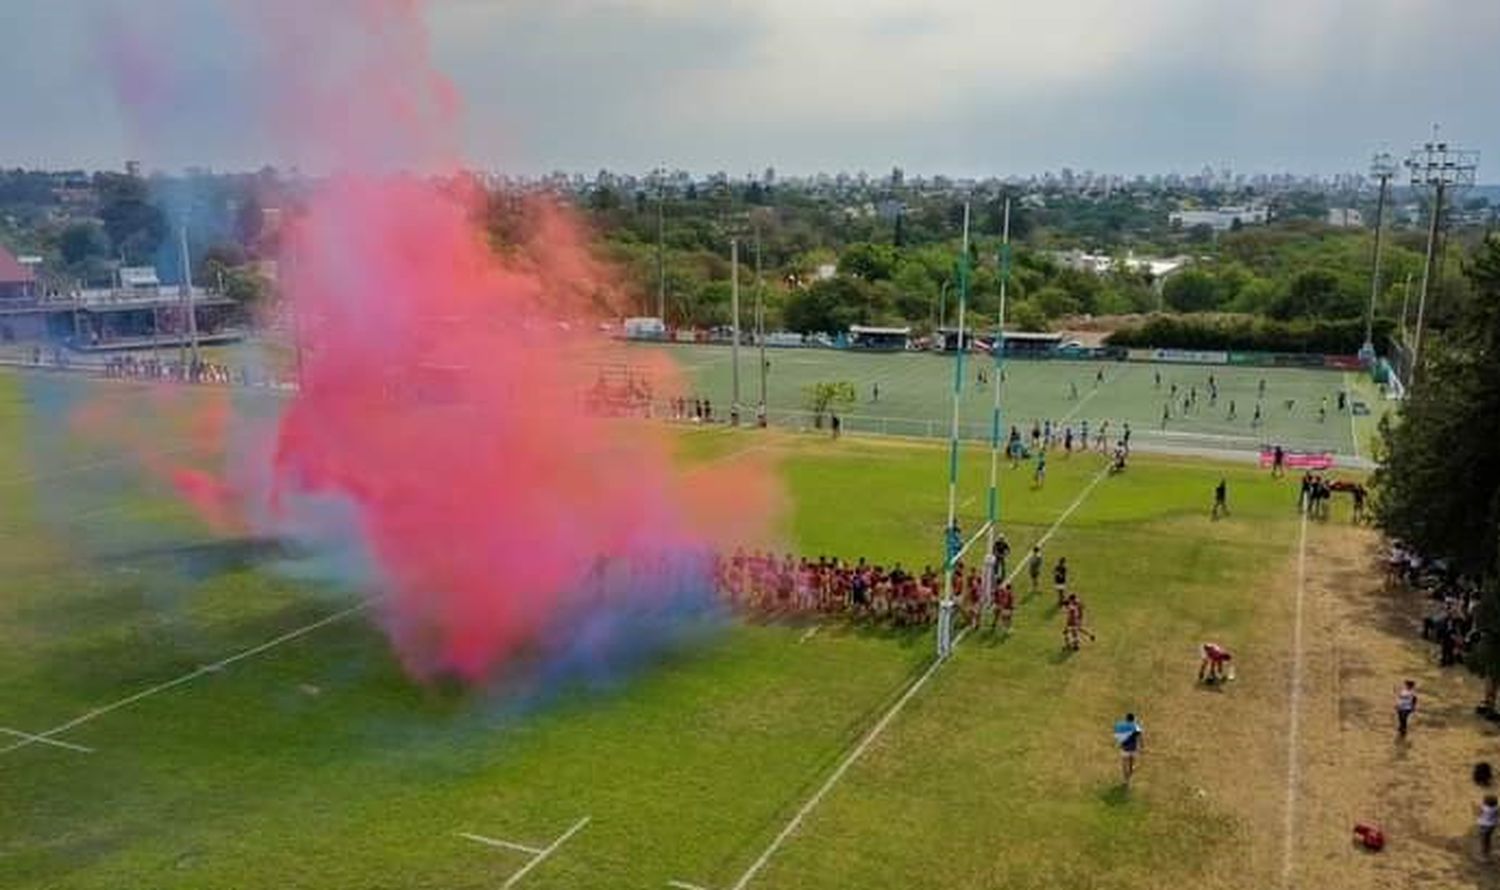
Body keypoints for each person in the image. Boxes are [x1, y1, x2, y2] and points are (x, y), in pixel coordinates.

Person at [1114, 712, 1144, 787]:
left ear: (1126, 718)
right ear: (1133, 719)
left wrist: (1118, 743)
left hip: (1124, 749)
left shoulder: (1120, 726)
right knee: (1131, 765)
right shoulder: (1135, 727)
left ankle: (1126, 780)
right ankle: (1129, 779)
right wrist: (1142, 746)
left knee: (1124, 765)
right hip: (1133, 749)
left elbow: (1117, 736)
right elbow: (1140, 738)